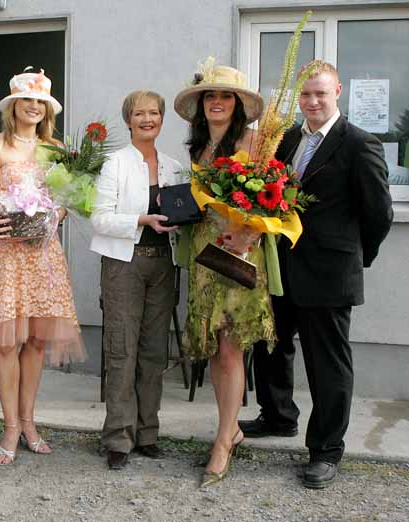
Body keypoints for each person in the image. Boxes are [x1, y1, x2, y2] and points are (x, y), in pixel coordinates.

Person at [239, 61, 394, 489]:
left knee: (327, 365)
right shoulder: (287, 140)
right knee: (271, 347)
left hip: (330, 272)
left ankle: (325, 450)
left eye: (320, 94)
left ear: (338, 92)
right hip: (280, 268)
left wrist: (355, 258)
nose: (312, 102)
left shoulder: (359, 143)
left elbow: (379, 213)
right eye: (306, 95)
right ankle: (278, 417)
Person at [0, 68, 85, 465]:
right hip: (6, 255)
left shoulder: (57, 149)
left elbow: (65, 200)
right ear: (13, 106)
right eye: (26, 100)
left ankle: (29, 421)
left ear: (46, 109)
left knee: (35, 342)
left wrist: (54, 215)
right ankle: (10, 425)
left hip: (43, 255)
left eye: (40, 102)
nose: (33, 107)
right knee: (5, 343)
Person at [173, 62, 275, 487]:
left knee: (232, 349)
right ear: (201, 105)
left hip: (240, 252)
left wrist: (245, 233)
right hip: (203, 255)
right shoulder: (196, 149)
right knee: (215, 348)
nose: (216, 102)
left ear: (237, 105)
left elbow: (273, 200)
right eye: (210, 96)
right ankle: (229, 426)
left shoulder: (254, 143)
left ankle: (222, 441)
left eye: (225, 96)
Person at [90, 90, 186, 471]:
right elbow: (100, 218)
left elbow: (185, 214)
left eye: (154, 113)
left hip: (163, 264)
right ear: (128, 120)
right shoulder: (115, 164)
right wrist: (142, 221)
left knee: (153, 352)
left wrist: (182, 223)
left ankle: (147, 434)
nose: (147, 119)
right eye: (139, 113)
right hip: (123, 266)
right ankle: (118, 437)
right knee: (121, 349)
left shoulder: (176, 167)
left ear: (162, 119)